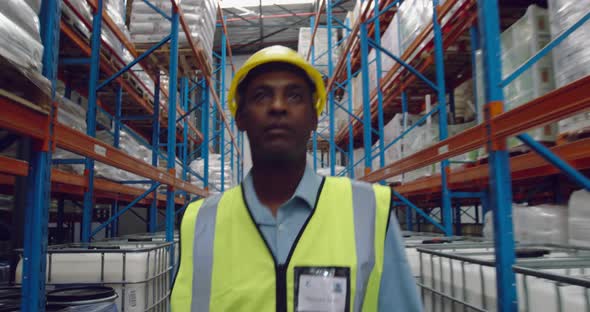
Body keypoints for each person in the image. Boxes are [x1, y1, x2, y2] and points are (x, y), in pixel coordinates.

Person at [171, 45, 422, 311]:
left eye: (294, 96)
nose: (278, 106)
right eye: (261, 96)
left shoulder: (369, 210)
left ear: (314, 118)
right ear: (240, 118)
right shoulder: (200, 223)